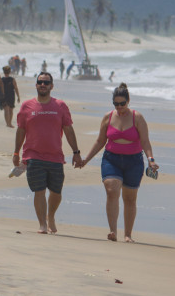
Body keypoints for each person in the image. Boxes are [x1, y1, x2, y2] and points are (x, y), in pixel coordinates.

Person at [79, 83, 158, 243]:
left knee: (130, 198)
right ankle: (112, 231)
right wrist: (86, 159)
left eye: (122, 104)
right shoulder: (108, 117)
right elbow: (100, 140)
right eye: (116, 104)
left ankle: (128, 235)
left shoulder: (137, 117)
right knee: (111, 189)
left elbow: (145, 141)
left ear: (128, 101)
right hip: (111, 159)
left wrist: (151, 160)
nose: (120, 107)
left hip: (134, 161)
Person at [13, 72, 82, 234]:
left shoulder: (60, 106)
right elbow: (21, 130)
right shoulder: (27, 106)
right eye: (40, 82)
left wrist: (76, 152)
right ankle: (42, 224)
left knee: (56, 192)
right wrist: (16, 152)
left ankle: (51, 216)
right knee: (39, 190)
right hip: (33, 155)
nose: (43, 85)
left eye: (46, 82)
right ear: (36, 85)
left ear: (51, 86)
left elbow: (68, 130)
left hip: (55, 156)